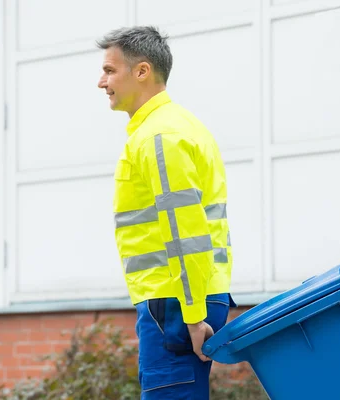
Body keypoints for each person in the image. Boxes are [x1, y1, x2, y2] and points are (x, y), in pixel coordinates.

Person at [96, 26, 235, 399]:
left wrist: (191, 315)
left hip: (176, 303)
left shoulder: (160, 137)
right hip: (183, 299)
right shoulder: (178, 127)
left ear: (141, 71)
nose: (101, 82)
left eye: (110, 71)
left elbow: (183, 231)